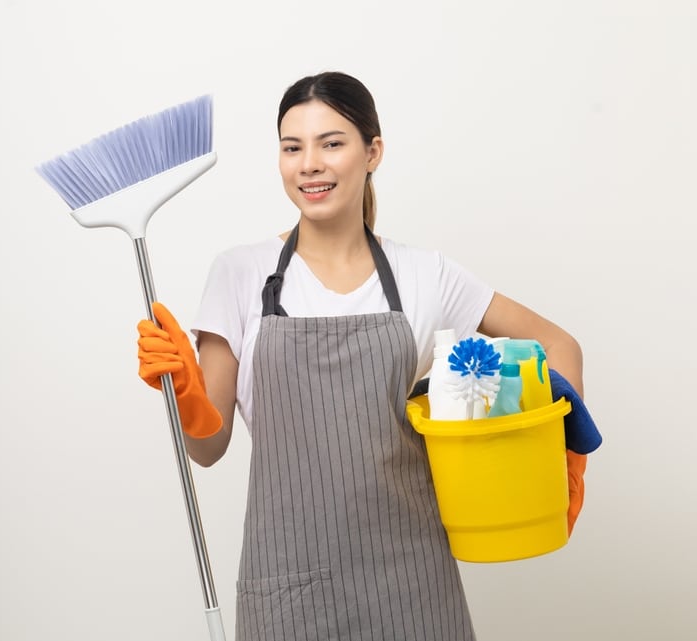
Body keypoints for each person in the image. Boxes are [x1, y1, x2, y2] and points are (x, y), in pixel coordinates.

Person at [136, 71, 587, 641]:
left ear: (371, 152)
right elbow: (208, 448)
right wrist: (186, 392)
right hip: (288, 590)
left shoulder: (426, 274)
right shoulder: (240, 272)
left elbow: (558, 345)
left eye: (332, 143)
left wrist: (555, 458)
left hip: (414, 579)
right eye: (292, 147)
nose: (310, 165)